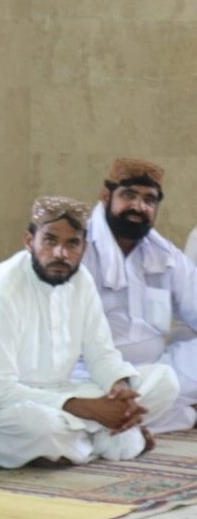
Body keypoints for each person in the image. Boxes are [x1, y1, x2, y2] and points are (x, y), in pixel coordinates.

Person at [0, 197, 179, 467]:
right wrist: (89, 409)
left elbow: (101, 354)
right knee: (41, 427)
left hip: (61, 393)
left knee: (164, 380)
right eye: (50, 241)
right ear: (29, 241)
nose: (60, 253)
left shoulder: (81, 280)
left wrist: (119, 390)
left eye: (72, 244)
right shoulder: (1, 291)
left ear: (84, 248)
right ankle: (110, 437)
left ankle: (88, 440)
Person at [82, 158, 197, 432]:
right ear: (106, 196)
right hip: (91, 373)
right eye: (129, 195)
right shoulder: (80, 249)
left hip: (156, 370)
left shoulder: (165, 255)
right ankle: (183, 415)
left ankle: (112, 419)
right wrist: (112, 378)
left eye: (149, 200)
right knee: (75, 401)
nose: (138, 206)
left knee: (164, 381)